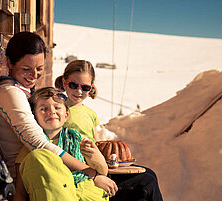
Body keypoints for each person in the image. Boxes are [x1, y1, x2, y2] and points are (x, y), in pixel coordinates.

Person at [0, 32, 117, 196]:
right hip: (34, 179)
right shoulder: (10, 93)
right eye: (26, 69)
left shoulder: (23, 89)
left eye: (40, 68)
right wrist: (92, 174)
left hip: (53, 173)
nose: (34, 75)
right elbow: (39, 144)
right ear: (10, 62)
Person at [55, 60, 163, 201]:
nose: (79, 91)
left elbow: (95, 144)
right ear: (64, 82)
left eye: (85, 87)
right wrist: (95, 172)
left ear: (91, 88)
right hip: (82, 172)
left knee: (150, 174)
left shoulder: (91, 114)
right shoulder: (59, 110)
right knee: (146, 182)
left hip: (96, 166)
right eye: (73, 85)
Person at [13, 87, 117, 201]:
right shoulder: (30, 149)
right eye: (43, 109)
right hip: (59, 196)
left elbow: (103, 173)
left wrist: (96, 156)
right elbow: (20, 192)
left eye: (57, 107)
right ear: (34, 117)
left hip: (89, 195)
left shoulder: (79, 140)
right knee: (38, 156)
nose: (51, 111)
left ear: (66, 115)